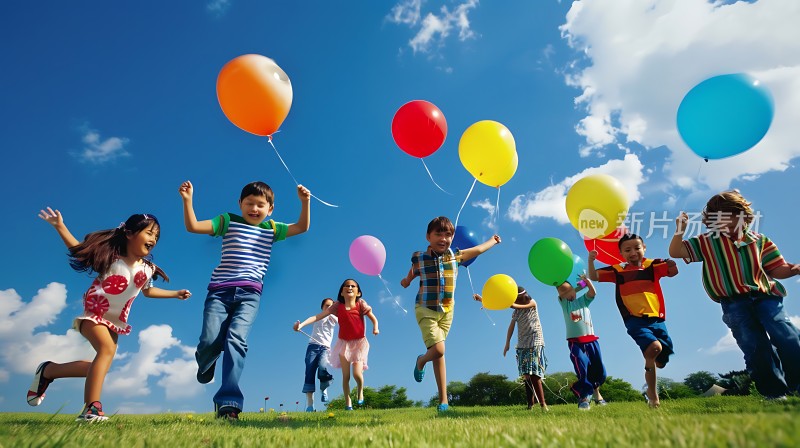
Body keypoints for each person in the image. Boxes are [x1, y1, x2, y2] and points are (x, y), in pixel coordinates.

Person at [29, 208, 191, 422]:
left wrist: (175, 294)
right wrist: (60, 226)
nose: (153, 239)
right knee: (105, 351)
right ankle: (91, 409)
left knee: (100, 366)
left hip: (116, 320)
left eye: (156, 236)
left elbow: (148, 291)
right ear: (129, 233)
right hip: (94, 312)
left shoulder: (148, 269)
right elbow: (79, 250)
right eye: (149, 233)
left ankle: (49, 371)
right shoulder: (111, 258)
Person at [179, 180, 310, 419]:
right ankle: (206, 361)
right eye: (249, 203)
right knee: (209, 340)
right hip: (219, 292)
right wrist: (188, 201)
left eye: (260, 204)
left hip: (250, 294)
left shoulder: (271, 228)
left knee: (236, 340)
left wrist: (305, 202)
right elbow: (193, 226)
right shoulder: (227, 221)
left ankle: (229, 403)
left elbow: (301, 227)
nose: (254, 208)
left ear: (270, 209)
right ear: (240, 203)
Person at [669, 189, 800, 400]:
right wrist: (680, 231)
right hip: (734, 303)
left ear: (743, 216)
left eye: (730, 217)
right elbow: (677, 252)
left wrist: (793, 270)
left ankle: (797, 383)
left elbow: (777, 269)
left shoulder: (759, 240)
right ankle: (774, 392)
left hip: (765, 296)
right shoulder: (707, 241)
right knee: (755, 347)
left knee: (786, 336)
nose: (725, 223)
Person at [400, 216, 501, 412]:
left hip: (447, 310)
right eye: (438, 234)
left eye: (448, 235)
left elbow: (478, 250)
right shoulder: (419, 257)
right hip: (425, 308)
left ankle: (443, 401)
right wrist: (406, 281)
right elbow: (413, 271)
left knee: (439, 353)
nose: (443, 239)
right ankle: (421, 361)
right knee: (439, 350)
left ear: (452, 238)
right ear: (428, 236)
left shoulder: (456, 256)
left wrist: (492, 241)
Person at [588, 233, 678, 408]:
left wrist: (671, 264)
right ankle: (653, 395)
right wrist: (591, 261)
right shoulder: (618, 270)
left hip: (657, 319)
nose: (633, 253)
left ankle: (654, 370)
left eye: (637, 248)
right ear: (621, 254)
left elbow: (673, 271)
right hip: (634, 320)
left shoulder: (652, 265)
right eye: (627, 250)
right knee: (654, 348)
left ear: (644, 248)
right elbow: (594, 276)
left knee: (661, 361)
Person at [295, 279, 378, 410]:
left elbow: (365, 317)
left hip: (350, 345)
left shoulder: (352, 307)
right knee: (340, 376)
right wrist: (301, 325)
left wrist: (375, 327)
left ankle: (355, 390)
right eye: (346, 286)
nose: (349, 287)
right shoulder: (332, 310)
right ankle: (344, 403)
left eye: (353, 286)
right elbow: (316, 317)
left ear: (358, 292)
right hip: (331, 345)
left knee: (352, 373)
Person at [556, 276, 607, 410]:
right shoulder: (565, 304)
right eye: (563, 293)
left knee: (598, 369)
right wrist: (573, 288)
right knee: (581, 364)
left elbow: (593, 292)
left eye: (569, 291)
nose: (567, 294)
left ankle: (597, 395)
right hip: (575, 342)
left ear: (575, 289)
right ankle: (583, 396)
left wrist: (586, 282)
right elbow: (563, 294)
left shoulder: (583, 300)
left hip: (591, 340)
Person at [298, 298, 337, 412]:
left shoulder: (334, 318)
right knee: (309, 373)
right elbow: (311, 319)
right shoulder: (318, 317)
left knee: (323, 368)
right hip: (312, 347)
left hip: (325, 348)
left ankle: (324, 389)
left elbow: (344, 321)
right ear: (322, 307)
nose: (329, 307)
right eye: (327, 306)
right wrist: (300, 325)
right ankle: (310, 406)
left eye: (331, 306)